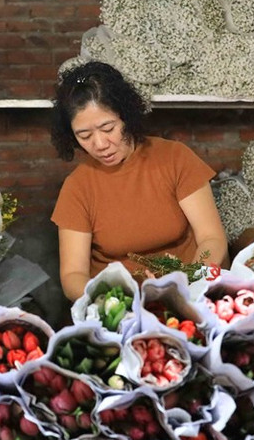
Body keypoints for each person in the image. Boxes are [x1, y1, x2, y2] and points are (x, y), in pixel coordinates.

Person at [50, 61, 229, 301]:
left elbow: (211, 238)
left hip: (191, 289)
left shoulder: (174, 158)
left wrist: (189, 281)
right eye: (85, 136)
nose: (100, 144)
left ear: (127, 116)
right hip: (119, 305)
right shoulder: (78, 187)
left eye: (108, 128)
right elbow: (73, 275)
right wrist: (110, 299)